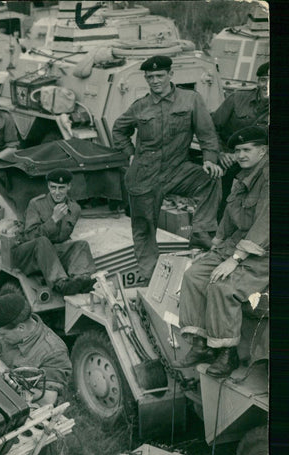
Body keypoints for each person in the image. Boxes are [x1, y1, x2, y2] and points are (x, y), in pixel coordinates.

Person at [112, 55, 222, 280]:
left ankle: (201, 235)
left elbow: (207, 134)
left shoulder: (191, 100)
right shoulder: (140, 106)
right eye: (150, 77)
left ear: (171, 75)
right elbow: (118, 130)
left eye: (159, 75)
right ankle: (149, 275)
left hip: (177, 169)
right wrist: (130, 155)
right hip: (144, 174)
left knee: (211, 178)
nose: (155, 81)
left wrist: (210, 159)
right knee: (144, 227)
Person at [177, 126, 268, 378]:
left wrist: (235, 260)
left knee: (222, 287)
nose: (240, 155)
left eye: (246, 149)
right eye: (237, 150)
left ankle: (227, 354)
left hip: (263, 253)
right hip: (235, 246)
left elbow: (266, 224)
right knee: (194, 275)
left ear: (263, 151)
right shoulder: (243, 176)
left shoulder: (270, 177)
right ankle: (201, 345)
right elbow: (230, 217)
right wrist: (216, 247)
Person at [11, 169, 96, 295]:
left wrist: (70, 253)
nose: (57, 192)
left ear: (69, 186)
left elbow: (63, 239)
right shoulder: (36, 204)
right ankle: (61, 283)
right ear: (48, 186)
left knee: (81, 245)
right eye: (53, 187)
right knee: (43, 242)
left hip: (50, 254)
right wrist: (53, 219)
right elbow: (29, 237)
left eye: (61, 188)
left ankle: (81, 280)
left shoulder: (74, 208)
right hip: (28, 255)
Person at [0, 292, 72, 405]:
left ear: (21, 328)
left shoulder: (53, 352)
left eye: (3, 334)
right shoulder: (12, 333)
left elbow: (47, 401)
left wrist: (7, 375)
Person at [212, 62, 269, 216]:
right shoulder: (237, 98)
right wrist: (220, 153)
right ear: (257, 82)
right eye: (264, 79)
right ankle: (217, 226)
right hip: (228, 157)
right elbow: (212, 127)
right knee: (220, 193)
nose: (267, 85)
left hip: (260, 162)